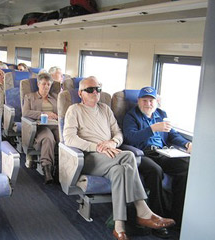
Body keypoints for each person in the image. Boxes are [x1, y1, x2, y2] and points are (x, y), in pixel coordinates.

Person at [63, 77, 175, 240]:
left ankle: (119, 227)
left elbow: (119, 133)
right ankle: (143, 211)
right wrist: (98, 147)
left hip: (110, 157)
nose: (95, 92)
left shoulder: (106, 110)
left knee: (120, 170)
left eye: (97, 89)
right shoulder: (74, 110)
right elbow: (70, 139)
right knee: (129, 155)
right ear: (80, 93)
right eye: (90, 90)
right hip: (89, 158)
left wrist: (112, 142)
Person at [123, 86, 191, 230]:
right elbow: (131, 138)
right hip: (142, 154)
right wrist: (153, 128)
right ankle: (157, 218)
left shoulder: (160, 114)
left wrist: (186, 143)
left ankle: (176, 215)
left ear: (157, 102)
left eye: (151, 101)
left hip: (162, 152)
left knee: (185, 168)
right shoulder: (131, 116)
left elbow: (172, 134)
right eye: (144, 100)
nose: (148, 104)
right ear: (138, 101)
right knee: (156, 171)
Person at [22, 73, 59, 184]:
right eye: (43, 84)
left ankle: (63, 168)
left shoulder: (56, 97)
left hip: (56, 125)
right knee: (48, 138)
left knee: (64, 140)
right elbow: (26, 112)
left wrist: (58, 115)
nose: (46, 86)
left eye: (48, 84)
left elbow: (62, 112)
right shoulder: (30, 96)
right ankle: (47, 169)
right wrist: (44, 113)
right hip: (40, 126)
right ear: (38, 84)